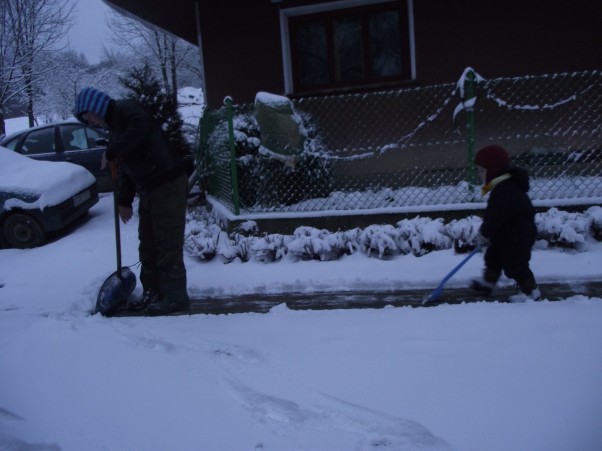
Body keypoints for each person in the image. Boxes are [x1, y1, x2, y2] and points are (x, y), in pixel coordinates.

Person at [74, 87, 190, 315]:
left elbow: (142, 128)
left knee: (167, 242)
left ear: (96, 106)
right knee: (147, 244)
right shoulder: (115, 132)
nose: (92, 122)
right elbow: (125, 168)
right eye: (87, 120)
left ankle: (175, 298)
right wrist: (124, 201)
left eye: (89, 116)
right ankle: (153, 292)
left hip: (167, 182)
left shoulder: (126, 109)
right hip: (150, 188)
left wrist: (112, 150)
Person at [470, 145, 541, 301]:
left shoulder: (506, 189)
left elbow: (495, 216)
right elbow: (495, 215)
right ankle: (488, 284)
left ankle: (531, 292)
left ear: (493, 170)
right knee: (493, 256)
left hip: (519, 234)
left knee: (515, 265)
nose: (480, 175)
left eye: (482, 171)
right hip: (507, 232)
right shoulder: (501, 186)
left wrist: (485, 233)